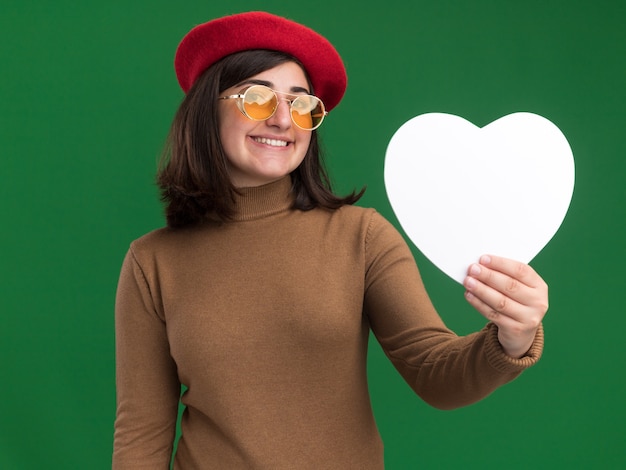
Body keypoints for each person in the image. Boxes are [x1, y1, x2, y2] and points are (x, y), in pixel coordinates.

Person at [112, 11, 548, 469]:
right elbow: (141, 433)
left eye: (302, 105)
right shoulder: (152, 262)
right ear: (206, 109)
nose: (283, 120)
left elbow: (434, 374)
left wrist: (512, 339)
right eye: (258, 99)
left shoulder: (361, 236)